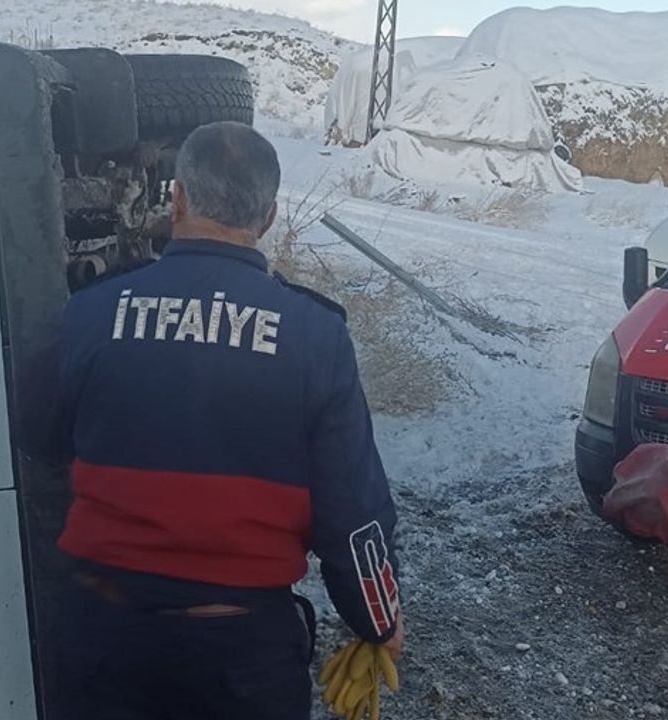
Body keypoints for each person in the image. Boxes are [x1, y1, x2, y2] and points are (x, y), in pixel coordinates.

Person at [30, 121, 402, 720]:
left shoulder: (90, 314)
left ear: (176, 198)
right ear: (271, 216)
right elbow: (352, 512)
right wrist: (376, 620)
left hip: (99, 640)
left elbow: (39, 440)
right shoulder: (314, 335)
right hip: (240, 659)